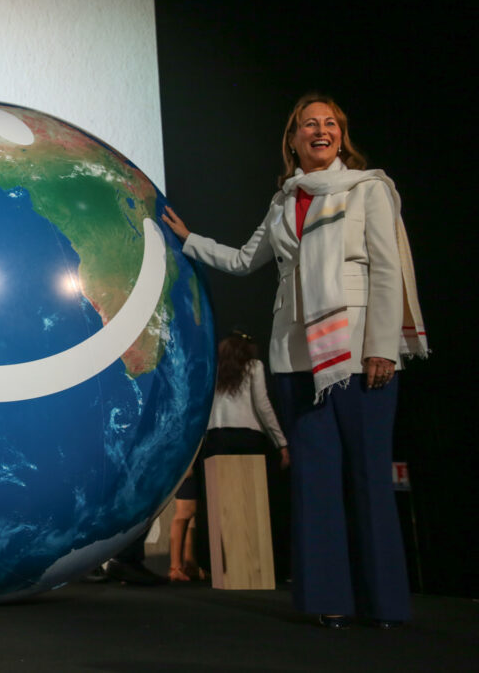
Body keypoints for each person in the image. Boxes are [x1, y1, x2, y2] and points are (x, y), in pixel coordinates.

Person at [162, 93, 428, 629]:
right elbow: (244, 260)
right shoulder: (284, 200)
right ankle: (331, 600)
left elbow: (386, 270)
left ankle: (384, 604)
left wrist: (381, 345)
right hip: (295, 359)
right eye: (310, 124)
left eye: (330, 123)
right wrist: (189, 242)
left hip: (358, 354)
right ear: (293, 139)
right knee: (315, 483)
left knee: (369, 479)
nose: (320, 130)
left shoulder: (368, 188)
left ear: (340, 136)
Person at [178, 331, 289, 582]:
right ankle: (252, 568)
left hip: (216, 440)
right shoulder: (253, 366)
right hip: (248, 439)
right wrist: (281, 442)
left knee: (219, 507)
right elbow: (262, 405)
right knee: (251, 503)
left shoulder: (212, 368)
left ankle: (223, 569)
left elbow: (200, 407)